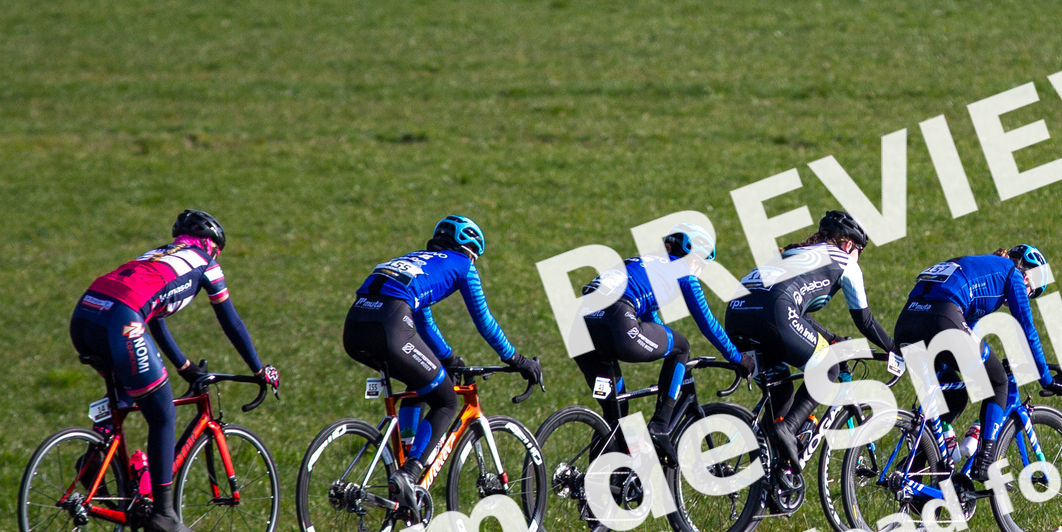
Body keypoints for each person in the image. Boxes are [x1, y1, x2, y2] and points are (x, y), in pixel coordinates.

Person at [70, 209, 278, 532]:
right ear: (211, 245)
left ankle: (95, 456)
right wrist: (259, 369)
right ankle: (164, 513)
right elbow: (231, 322)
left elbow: (155, 315)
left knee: (127, 392)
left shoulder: (156, 255)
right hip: (121, 318)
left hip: (86, 312)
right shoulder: (205, 263)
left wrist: (183, 366)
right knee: (163, 413)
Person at [344, 214, 541, 470]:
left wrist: (448, 358)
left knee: (421, 381)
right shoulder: (463, 265)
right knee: (446, 401)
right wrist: (516, 359)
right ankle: (411, 473)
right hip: (390, 325)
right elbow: (485, 321)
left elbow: (422, 319)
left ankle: (404, 456)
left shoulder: (413, 260)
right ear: (469, 251)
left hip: (354, 327)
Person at [725, 209, 903, 475]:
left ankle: (764, 472)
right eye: (860, 251)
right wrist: (894, 348)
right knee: (829, 367)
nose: (859, 258)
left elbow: (798, 313)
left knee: (782, 392)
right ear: (848, 244)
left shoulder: (793, 253)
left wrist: (830, 338)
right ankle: (785, 429)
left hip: (736, 315)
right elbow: (864, 320)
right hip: (773, 313)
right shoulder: (845, 260)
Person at [893, 244, 1062, 497]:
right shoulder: (1011, 273)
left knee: (955, 397)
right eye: (1032, 283)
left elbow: (968, 331)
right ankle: (986, 463)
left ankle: (915, 471)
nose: (1028, 290)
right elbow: (1027, 329)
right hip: (942, 317)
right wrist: (1045, 378)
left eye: (1033, 292)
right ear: (1023, 266)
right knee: (998, 382)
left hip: (906, 323)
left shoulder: (980, 267)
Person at [575, 225, 752, 436]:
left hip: (578, 328)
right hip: (616, 320)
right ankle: (660, 426)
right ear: (694, 256)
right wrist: (737, 357)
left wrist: (661, 345)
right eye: (704, 263)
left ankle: (597, 469)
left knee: (615, 414)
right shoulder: (684, 272)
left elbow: (651, 319)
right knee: (681, 347)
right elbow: (708, 323)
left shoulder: (640, 262)